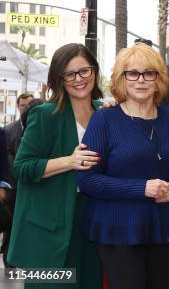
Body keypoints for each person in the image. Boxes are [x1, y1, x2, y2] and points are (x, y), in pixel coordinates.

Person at [78, 43, 169, 289]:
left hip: (165, 228)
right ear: (121, 78)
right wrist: (142, 188)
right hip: (118, 228)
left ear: (159, 79)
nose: (141, 80)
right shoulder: (105, 119)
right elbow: (86, 180)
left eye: (149, 73)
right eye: (132, 73)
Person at [8, 43, 104, 288]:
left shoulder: (104, 112)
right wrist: (69, 161)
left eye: (84, 71)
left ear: (94, 71)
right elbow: (22, 167)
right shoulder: (45, 114)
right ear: (59, 79)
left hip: (92, 222)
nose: (79, 79)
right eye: (69, 74)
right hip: (49, 228)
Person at [1, 98, 43, 270]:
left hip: (38, 189)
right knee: (12, 225)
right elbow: (7, 158)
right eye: (22, 105)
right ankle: (9, 260)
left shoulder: (48, 132)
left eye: (28, 104)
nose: (25, 108)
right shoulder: (9, 130)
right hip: (14, 187)